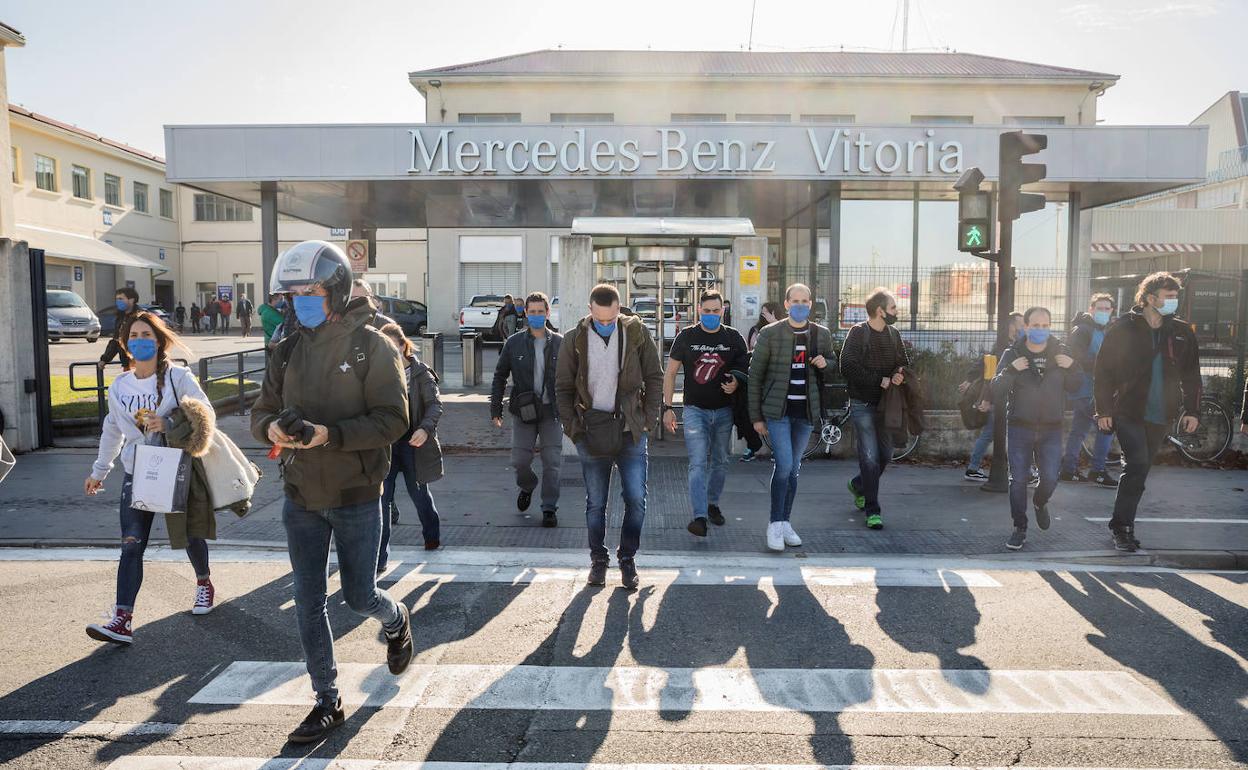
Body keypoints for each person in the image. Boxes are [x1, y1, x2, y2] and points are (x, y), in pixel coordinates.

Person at [250, 240, 413, 743]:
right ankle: (327, 701)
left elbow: (394, 419)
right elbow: (260, 411)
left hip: (357, 493)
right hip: (300, 494)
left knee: (360, 596)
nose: (299, 299)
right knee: (307, 600)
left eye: (310, 290)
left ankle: (396, 619)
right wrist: (271, 430)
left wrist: (331, 435)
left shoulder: (374, 345)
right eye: (292, 292)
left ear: (336, 290)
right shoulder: (287, 347)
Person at [83, 312, 214, 644]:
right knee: (131, 545)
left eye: (146, 334)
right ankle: (122, 620)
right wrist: (99, 471)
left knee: (187, 534)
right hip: (137, 470)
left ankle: (203, 581)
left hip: (173, 466)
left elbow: (206, 412)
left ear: (158, 342)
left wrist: (168, 423)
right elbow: (111, 430)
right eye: (134, 335)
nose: (140, 340)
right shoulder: (120, 385)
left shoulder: (178, 376)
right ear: (126, 345)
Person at [555, 283, 662, 589]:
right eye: (600, 320)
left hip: (630, 431)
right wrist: (573, 430)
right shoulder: (574, 340)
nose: (605, 325)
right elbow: (562, 387)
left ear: (619, 310)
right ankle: (598, 561)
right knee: (596, 502)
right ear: (590, 311)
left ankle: (627, 559)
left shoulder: (636, 334)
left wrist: (646, 421)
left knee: (636, 499)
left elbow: (654, 377)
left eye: (610, 319)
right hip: (591, 431)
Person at [1094, 272, 1201, 552]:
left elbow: (1192, 374)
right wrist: (1103, 409)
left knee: (1140, 471)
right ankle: (1122, 528)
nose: (1173, 302)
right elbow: (1103, 371)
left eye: (1175, 296)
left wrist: (1193, 410)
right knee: (1137, 463)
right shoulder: (1123, 327)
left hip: (1160, 413)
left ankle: (1122, 523)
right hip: (1128, 410)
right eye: (1168, 296)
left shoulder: (1180, 331)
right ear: (1150, 298)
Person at [747, 283, 834, 551]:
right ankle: (774, 524)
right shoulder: (770, 333)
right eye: (794, 300)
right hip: (778, 412)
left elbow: (833, 364)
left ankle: (785, 522)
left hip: (805, 413)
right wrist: (756, 417)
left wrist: (825, 363)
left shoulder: (821, 334)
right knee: (784, 465)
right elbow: (755, 376)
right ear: (785, 304)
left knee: (794, 468)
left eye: (804, 301)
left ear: (810, 304)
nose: (799, 305)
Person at [991, 306, 1083, 551]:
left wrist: (1072, 367)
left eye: (1045, 326)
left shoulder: (1061, 352)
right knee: (1018, 480)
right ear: (1026, 327)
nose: (1040, 330)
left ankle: (1040, 503)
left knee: (1051, 477)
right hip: (1020, 426)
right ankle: (1019, 527)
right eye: (1035, 326)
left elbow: (1076, 386)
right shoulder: (1013, 354)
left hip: (1052, 428)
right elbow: (996, 388)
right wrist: (1011, 370)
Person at [663, 289, 749, 538]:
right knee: (698, 463)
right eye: (707, 310)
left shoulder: (734, 338)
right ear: (699, 310)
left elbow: (745, 367)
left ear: (723, 310)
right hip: (694, 411)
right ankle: (699, 516)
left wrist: (736, 382)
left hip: (724, 411)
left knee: (721, 461)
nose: (711, 315)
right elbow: (670, 373)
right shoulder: (686, 336)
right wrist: (668, 408)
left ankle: (712, 504)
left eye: (716, 311)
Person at [839, 288, 910, 530]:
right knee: (869, 458)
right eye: (893, 308)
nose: (896, 312)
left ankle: (858, 485)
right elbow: (847, 365)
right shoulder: (858, 333)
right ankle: (872, 510)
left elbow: (903, 363)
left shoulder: (893, 334)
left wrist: (899, 374)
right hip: (862, 404)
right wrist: (878, 380)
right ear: (880, 311)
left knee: (885, 455)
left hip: (886, 406)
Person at [491, 291, 563, 528]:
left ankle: (549, 507)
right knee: (520, 460)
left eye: (540, 312)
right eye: (532, 312)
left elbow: (571, 379)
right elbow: (500, 376)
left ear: (547, 313)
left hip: (551, 412)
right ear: (525, 313)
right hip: (524, 412)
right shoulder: (514, 343)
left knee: (552, 461)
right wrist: (496, 409)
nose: (536, 315)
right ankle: (528, 485)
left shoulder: (560, 343)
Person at [378, 323, 443, 564]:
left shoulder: (420, 372)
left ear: (404, 345)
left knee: (419, 494)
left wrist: (425, 429)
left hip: (413, 444)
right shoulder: (377, 374)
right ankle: (380, 557)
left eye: (393, 347)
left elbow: (435, 405)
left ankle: (431, 536)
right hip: (386, 445)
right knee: (382, 499)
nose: (389, 353)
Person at [1058, 294, 1119, 488]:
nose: (1103, 312)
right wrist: (1105, 366)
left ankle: (1068, 469)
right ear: (1091, 309)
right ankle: (1098, 470)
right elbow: (1076, 357)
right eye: (1099, 308)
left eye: (1107, 308)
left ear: (1111, 311)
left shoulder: (1099, 330)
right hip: (1087, 388)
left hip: (1087, 389)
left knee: (1079, 430)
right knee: (1106, 426)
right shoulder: (1083, 330)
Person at [960, 312, 1024, 481]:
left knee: (992, 433)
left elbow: (983, 363)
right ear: (1011, 326)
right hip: (999, 397)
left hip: (1001, 396)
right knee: (993, 433)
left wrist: (970, 378)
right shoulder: (1003, 346)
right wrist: (987, 398)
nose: (1023, 327)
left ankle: (973, 468)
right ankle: (973, 468)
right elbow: (991, 371)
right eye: (1021, 323)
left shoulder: (1009, 344)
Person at [738, 301, 781, 462]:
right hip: (756, 377)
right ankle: (752, 445)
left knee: (775, 416)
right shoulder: (755, 330)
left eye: (767, 312)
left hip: (774, 380)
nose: (763, 315)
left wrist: (774, 323)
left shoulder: (783, 330)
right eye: (762, 312)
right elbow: (750, 352)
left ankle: (777, 449)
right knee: (749, 412)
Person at [98, 287, 141, 371]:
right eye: (117, 299)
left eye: (121, 299)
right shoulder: (120, 317)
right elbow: (116, 340)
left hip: (139, 364)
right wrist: (104, 359)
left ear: (131, 300)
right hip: (126, 364)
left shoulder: (140, 317)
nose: (118, 301)